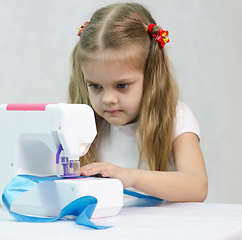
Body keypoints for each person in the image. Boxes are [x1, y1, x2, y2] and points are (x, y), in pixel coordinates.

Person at [68, 2, 208, 202]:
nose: (108, 99)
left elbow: (197, 187)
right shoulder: (84, 123)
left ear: (151, 76)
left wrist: (131, 176)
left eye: (122, 85)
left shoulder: (176, 117)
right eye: (95, 86)